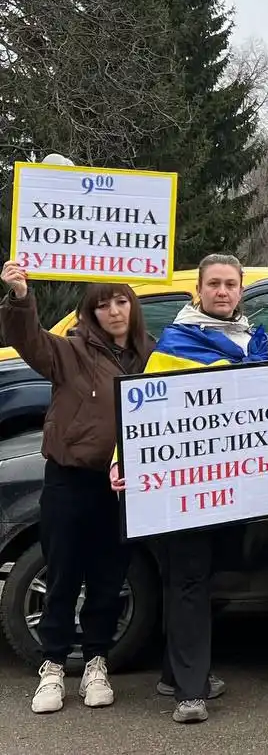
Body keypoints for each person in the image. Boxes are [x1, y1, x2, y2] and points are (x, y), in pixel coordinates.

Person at [110, 253, 268, 725]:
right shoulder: (176, 346)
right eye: (214, 285)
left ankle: (174, 672)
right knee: (188, 581)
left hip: (229, 489)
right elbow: (143, 412)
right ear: (199, 292)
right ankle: (190, 690)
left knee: (195, 580)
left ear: (241, 291)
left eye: (231, 285)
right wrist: (121, 462)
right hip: (181, 492)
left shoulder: (253, 345)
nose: (223, 292)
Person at [0, 261, 154, 715]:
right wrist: (21, 297)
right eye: (102, 304)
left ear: (134, 307)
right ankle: (51, 667)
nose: (114, 310)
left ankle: (96, 663)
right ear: (90, 313)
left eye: (121, 300)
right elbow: (26, 339)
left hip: (125, 486)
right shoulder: (69, 351)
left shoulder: (154, 356)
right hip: (70, 480)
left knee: (110, 578)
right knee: (62, 574)